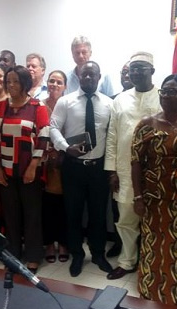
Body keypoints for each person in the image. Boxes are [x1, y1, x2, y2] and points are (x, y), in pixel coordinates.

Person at [131, 73, 177, 307]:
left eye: (173, 91)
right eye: (164, 91)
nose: (167, 96)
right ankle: (151, 296)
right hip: (153, 199)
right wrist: (138, 197)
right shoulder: (146, 124)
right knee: (153, 247)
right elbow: (136, 162)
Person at [50, 61, 113, 277]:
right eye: (84, 75)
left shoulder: (108, 103)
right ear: (79, 76)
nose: (88, 79)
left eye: (92, 75)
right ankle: (77, 255)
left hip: (98, 169)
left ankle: (97, 254)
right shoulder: (65, 101)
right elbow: (53, 127)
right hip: (73, 168)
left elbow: (111, 136)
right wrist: (66, 148)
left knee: (97, 215)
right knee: (73, 214)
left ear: (99, 77)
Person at [105, 52, 162, 280]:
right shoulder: (120, 99)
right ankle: (127, 261)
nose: (136, 73)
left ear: (152, 72)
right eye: (132, 69)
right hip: (125, 171)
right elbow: (112, 136)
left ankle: (151, 262)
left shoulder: (162, 96)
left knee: (155, 219)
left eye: (141, 68)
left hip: (156, 171)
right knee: (126, 219)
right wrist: (112, 171)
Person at [0, 66, 49, 273]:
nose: (11, 85)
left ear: (25, 83)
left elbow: (44, 138)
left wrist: (34, 165)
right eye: (9, 82)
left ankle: (33, 255)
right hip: (5, 170)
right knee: (10, 214)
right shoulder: (0, 107)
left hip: (29, 170)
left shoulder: (37, 106)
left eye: (15, 81)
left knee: (32, 214)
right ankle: (13, 253)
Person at [106, 60, 135, 259]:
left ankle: (138, 250)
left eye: (130, 72)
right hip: (119, 165)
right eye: (123, 72)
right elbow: (110, 136)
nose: (126, 75)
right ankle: (119, 244)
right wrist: (111, 169)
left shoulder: (155, 97)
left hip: (145, 168)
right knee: (119, 210)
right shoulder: (113, 100)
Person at [41, 70, 69, 263]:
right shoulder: (40, 105)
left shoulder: (70, 104)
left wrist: (61, 153)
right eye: (51, 81)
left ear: (65, 86)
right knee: (47, 205)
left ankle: (64, 242)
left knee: (66, 206)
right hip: (44, 163)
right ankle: (49, 243)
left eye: (59, 82)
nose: (55, 85)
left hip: (66, 161)